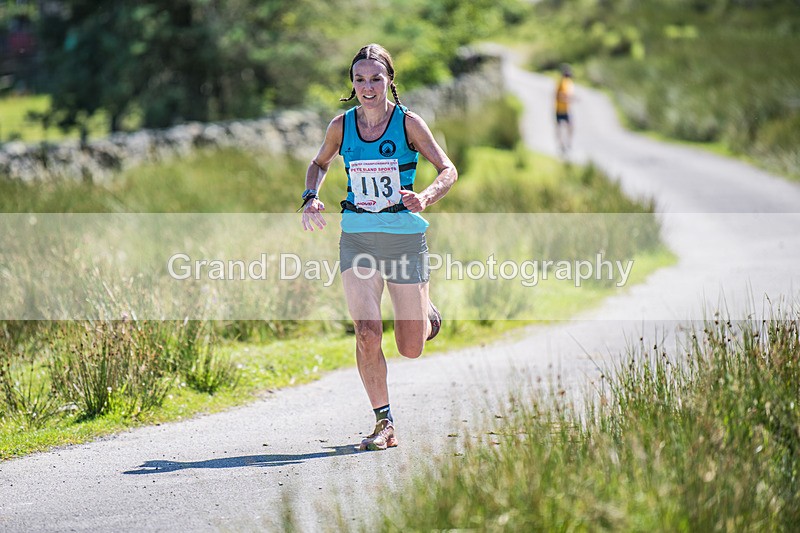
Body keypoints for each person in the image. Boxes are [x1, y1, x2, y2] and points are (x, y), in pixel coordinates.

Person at [301, 44, 457, 451]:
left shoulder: (408, 123)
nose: (367, 87)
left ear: (390, 80)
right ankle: (384, 422)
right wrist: (310, 195)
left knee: (411, 347)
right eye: (359, 79)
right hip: (357, 235)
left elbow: (448, 169)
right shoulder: (342, 125)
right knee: (367, 333)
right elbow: (319, 164)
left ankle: (425, 312)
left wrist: (424, 197)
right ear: (352, 84)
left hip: (404, 238)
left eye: (375, 78)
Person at [555, 64, 575, 155]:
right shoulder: (562, 83)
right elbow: (559, 96)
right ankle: (562, 144)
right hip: (560, 109)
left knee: (568, 127)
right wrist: (568, 99)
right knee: (562, 127)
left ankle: (566, 143)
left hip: (566, 109)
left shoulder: (569, 82)